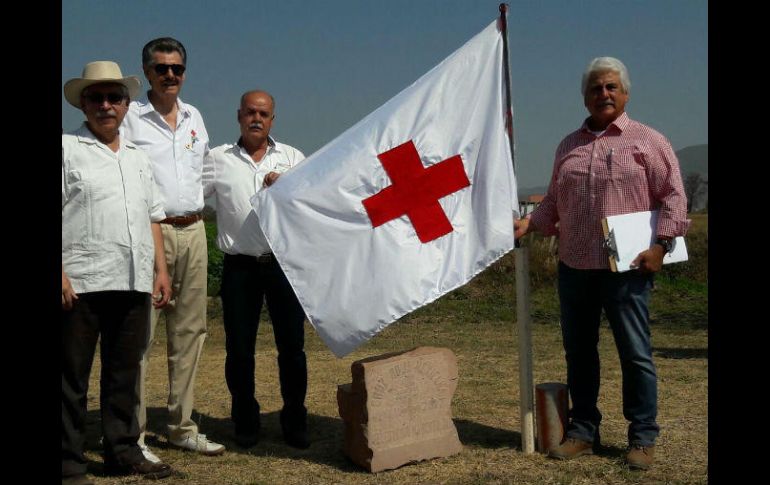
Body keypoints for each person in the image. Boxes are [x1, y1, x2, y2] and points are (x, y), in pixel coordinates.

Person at [514, 57, 689, 471]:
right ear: (585, 97)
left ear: (625, 94)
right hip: (575, 266)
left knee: (635, 354)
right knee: (579, 353)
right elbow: (555, 200)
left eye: (611, 87)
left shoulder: (648, 141)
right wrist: (530, 222)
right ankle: (583, 431)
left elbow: (674, 198)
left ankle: (642, 437)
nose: (604, 94)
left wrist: (661, 247)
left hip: (628, 268)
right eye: (596, 88)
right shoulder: (567, 146)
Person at [62, 61, 174, 484]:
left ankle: (122, 451)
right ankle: (69, 461)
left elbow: (151, 218)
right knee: (70, 377)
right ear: (83, 105)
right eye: (96, 98)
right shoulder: (66, 148)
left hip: (132, 280)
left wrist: (159, 271)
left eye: (114, 97)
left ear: (127, 105)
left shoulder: (137, 158)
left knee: (124, 374)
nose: (106, 105)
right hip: (82, 282)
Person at [121, 37, 224, 460]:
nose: (170, 75)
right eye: (161, 68)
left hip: (194, 229)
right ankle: (134, 433)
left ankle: (181, 426)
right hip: (150, 231)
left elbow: (205, 175)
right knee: (140, 334)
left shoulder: (195, 117)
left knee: (190, 333)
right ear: (146, 72)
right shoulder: (131, 118)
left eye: (177, 68)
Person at [202, 90, 310, 449]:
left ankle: (295, 419)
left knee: (292, 348)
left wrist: (289, 186)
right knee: (239, 349)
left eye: (263, 113)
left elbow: (312, 203)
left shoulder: (293, 158)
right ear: (238, 115)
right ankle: (245, 420)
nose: (257, 119)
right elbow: (190, 197)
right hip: (239, 267)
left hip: (283, 264)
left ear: (273, 119)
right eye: (250, 112)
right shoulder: (216, 159)